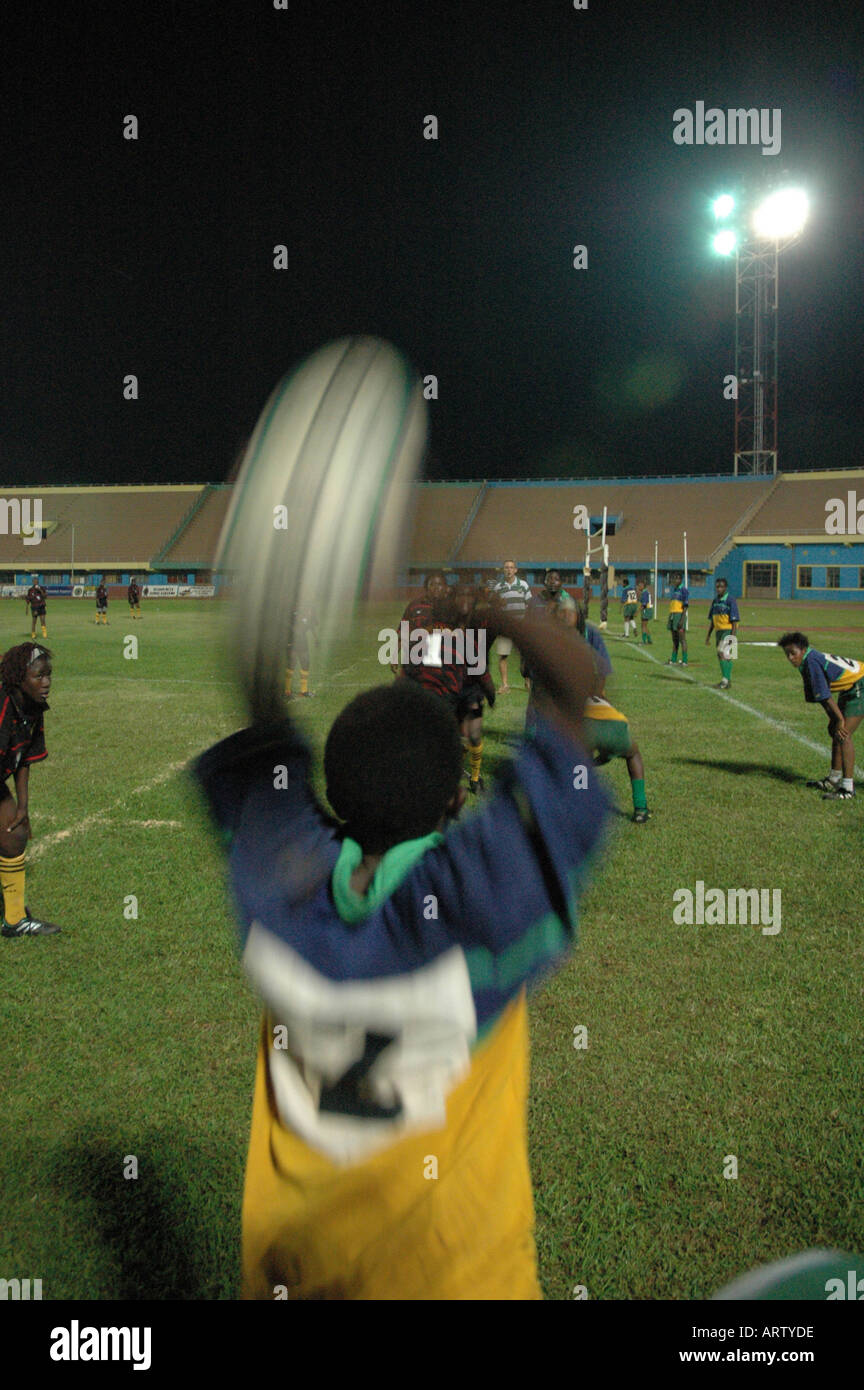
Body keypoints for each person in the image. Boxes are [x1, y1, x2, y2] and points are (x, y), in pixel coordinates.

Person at [194, 609, 606, 1299]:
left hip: (296, 1274)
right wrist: (492, 609)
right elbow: (576, 688)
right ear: (454, 797)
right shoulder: (478, 908)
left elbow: (263, 747)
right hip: (456, 1278)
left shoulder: (280, 890)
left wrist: (267, 616)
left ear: (334, 796)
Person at [0, 643, 60, 937]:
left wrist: (22, 807)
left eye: (48, 675)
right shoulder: (2, 705)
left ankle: (14, 921)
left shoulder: (34, 706)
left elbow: (23, 759)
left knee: (14, 834)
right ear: (19, 678)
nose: (46, 682)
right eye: (39, 676)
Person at [778, 632, 863, 801]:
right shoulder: (807, 660)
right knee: (836, 732)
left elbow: (824, 695)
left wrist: (838, 720)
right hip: (850, 687)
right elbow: (820, 697)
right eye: (787, 654)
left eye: (793, 653)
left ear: (803, 650)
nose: (790, 658)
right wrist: (834, 719)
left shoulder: (811, 662)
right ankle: (833, 779)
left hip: (859, 685)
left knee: (843, 734)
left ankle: (847, 788)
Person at [489, 560, 531, 692]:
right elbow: (493, 607)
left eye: (511, 567)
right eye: (506, 567)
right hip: (505, 628)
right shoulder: (498, 587)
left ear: (516, 570)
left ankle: (528, 682)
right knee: (503, 655)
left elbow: (529, 604)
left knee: (526, 656)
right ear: (503, 570)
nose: (508, 570)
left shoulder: (523, 585)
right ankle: (505, 685)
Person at [705, 578, 739, 689]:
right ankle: (727, 681)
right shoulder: (715, 601)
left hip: (728, 630)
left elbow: (734, 620)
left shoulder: (730, 600)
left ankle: (725, 681)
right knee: (724, 655)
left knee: (722, 652)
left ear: (725, 588)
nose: (719, 589)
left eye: (721, 587)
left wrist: (732, 637)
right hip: (718, 631)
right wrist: (708, 635)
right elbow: (712, 620)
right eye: (717, 587)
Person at [285, 606, 317, 698]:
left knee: (306, 664)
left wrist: (315, 638)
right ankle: (287, 691)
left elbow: (310, 627)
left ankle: (304, 691)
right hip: (293, 645)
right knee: (291, 666)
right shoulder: (292, 615)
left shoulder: (305, 617)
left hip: (303, 645)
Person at [664, 572, 689, 666]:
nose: (675, 581)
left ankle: (685, 660)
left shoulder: (683, 590)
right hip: (672, 615)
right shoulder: (674, 589)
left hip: (679, 615)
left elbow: (686, 606)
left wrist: (682, 619)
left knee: (682, 639)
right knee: (674, 639)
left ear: (681, 580)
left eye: (677, 579)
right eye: (674, 579)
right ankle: (673, 659)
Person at [26, 575, 47, 640]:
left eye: (37, 581)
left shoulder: (42, 588)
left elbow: (45, 596)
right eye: (34, 581)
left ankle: (44, 634)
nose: (36, 582)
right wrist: (26, 608)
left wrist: (40, 590)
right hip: (34, 607)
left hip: (41, 606)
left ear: (38, 582)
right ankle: (33, 634)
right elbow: (28, 599)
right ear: (33, 582)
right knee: (34, 621)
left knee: (43, 620)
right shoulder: (30, 590)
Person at [638, 576, 654, 644]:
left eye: (639, 586)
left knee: (643, 626)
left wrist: (637, 612)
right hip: (649, 609)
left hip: (646, 610)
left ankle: (644, 641)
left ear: (642, 586)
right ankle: (649, 640)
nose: (638, 587)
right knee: (645, 625)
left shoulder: (644, 593)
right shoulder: (646, 592)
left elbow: (644, 605)